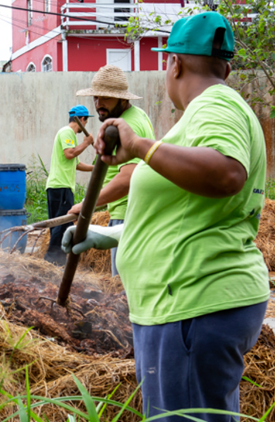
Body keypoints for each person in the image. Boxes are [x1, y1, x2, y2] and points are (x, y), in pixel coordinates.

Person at [62, 12, 269, 421]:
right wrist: (113, 235)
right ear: (225, 65)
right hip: (187, 304)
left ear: (174, 64)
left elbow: (227, 173)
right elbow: (188, 213)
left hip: (192, 304)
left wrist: (141, 147)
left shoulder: (215, 105)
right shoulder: (199, 116)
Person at [68, 65, 155, 276]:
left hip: (128, 216)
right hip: (128, 213)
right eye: (96, 98)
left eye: (106, 98)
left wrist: (85, 206)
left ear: (123, 99)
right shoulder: (134, 116)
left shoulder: (128, 124)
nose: (99, 104)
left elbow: (127, 179)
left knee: (122, 292)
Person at [44, 105, 94, 265]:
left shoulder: (69, 136)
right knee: (62, 223)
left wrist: (97, 168)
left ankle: (56, 261)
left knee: (58, 224)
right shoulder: (67, 132)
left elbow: (76, 163)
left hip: (58, 187)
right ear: (81, 119)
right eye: (86, 121)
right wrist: (86, 143)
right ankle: (52, 260)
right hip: (61, 186)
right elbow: (69, 154)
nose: (85, 126)